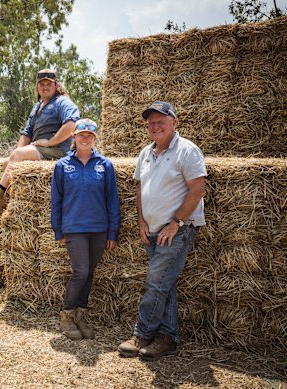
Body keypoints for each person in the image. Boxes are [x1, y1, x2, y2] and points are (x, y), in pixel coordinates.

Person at [118, 101, 206, 361]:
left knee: (155, 283)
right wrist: (142, 222)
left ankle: (143, 334)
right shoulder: (146, 152)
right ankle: (167, 339)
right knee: (164, 285)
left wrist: (175, 222)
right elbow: (139, 188)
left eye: (160, 121)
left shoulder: (187, 151)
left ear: (173, 122)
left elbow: (197, 188)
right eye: (151, 122)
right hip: (152, 230)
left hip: (177, 230)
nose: (155, 126)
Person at [51, 118, 121, 341]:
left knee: (89, 273)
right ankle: (67, 316)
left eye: (89, 136)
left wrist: (112, 232)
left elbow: (112, 200)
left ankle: (81, 316)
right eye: (81, 135)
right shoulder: (62, 166)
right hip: (74, 228)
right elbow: (56, 200)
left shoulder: (105, 165)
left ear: (94, 139)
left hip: (99, 229)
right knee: (80, 271)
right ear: (74, 137)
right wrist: (58, 231)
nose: (85, 139)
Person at [0, 68, 80, 212]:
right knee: (8, 162)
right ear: (37, 87)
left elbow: (71, 125)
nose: (45, 87)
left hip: (57, 151)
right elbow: (27, 133)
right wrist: (16, 152)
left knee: (17, 156)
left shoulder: (63, 102)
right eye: (42, 84)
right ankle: (12, 202)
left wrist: (50, 142)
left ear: (56, 85)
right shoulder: (37, 107)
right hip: (41, 149)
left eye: (49, 84)